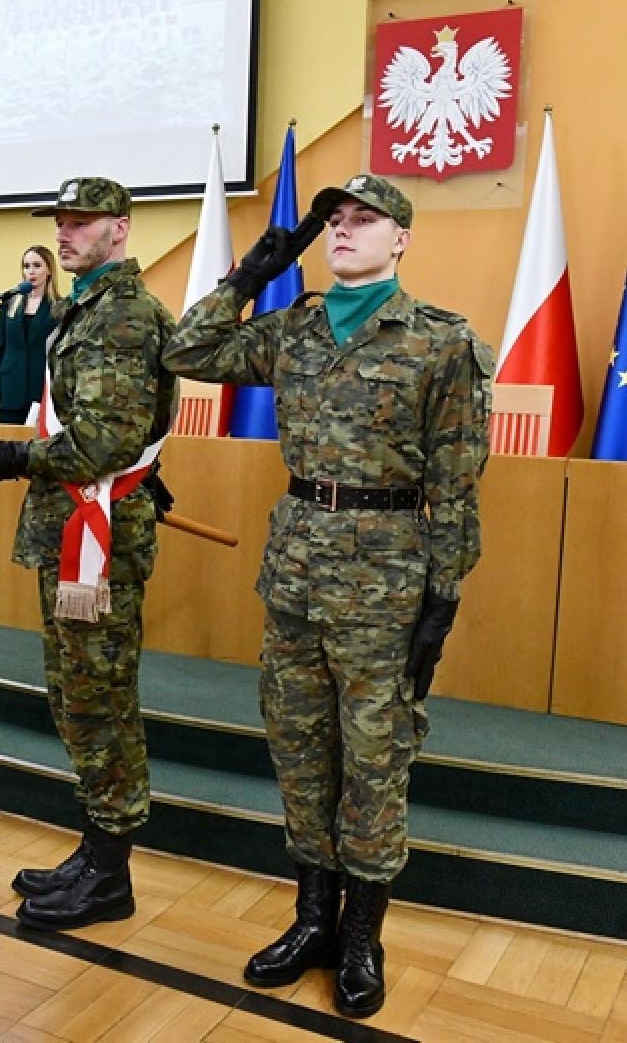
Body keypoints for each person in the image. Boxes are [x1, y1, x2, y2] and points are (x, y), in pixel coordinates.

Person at [163, 174, 493, 1018]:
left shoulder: (438, 342)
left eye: (364, 220)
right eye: (335, 221)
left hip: (388, 578)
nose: (344, 231)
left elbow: (457, 483)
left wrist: (444, 600)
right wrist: (251, 274)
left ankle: (361, 937)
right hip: (298, 568)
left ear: (402, 239)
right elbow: (187, 353)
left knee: (375, 760)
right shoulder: (297, 327)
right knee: (300, 745)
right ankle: (312, 917)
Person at [0, 178, 177, 928]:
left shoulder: (123, 317)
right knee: (73, 696)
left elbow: (106, 442)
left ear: (118, 231)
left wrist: (14, 458)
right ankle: (95, 849)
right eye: (60, 220)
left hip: (101, 534)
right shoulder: (84, 307)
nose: (64, 231)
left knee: (101, 700)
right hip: (71, 528)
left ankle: (111, 872)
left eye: (81, 221)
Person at [0, 245, 59, 424]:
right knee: (8, 447)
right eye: (26, 266)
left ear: (49, 270)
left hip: (40, 392)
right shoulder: (11, 303)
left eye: (37, 265)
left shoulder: (58, 307)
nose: (31, 272)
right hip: (9, 389)